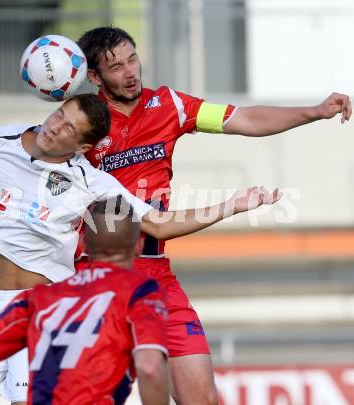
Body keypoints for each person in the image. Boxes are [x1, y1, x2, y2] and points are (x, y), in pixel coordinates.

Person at [0, 92, 279, 405]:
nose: (54, 126)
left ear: (82, 148)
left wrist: (231, 205)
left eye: (69, 128)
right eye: (59, 114)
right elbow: (3, 208)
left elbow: (158, 223)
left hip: (35, 311)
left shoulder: (90, 181)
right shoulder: (3, 138)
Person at [76, 26, 352, 405]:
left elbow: (243, 119)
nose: (130, 72)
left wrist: (314, 111)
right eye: (116, 67)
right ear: (95, 77)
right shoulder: (83, 120)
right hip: (98, 276)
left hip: (156, 274)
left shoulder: (169, 105)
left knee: (204, 399)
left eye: (133, 59)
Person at [0, 196, 171, 405]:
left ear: (84, 244)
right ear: (139, 246)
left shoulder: (40, 297)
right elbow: (149, 368)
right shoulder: (140, 291)